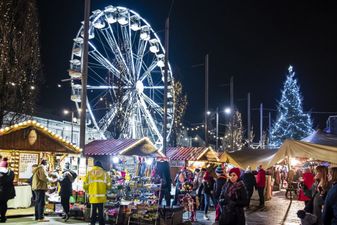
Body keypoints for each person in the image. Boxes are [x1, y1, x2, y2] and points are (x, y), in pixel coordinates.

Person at [83, 161, 111, 225]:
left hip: (93, 196)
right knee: (101, 211)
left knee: (93, 211)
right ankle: (101, 223)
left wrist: (88, 190)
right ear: (101, 166)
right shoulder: (105, 173)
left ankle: (92, 223)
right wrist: (106, 188)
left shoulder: (89, 173)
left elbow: (85, 185)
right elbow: (109, 185)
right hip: (101, 197)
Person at [0, 158, 15, 223]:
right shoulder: (11, 172)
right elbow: (11, 181)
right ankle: (3, 217)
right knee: (4, 204)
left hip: (0, 190)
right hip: (7, 191)